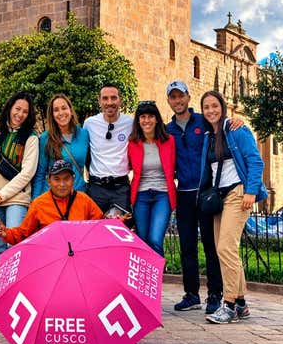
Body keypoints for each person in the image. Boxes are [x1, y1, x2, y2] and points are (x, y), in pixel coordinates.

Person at [198, 91, 268, 324]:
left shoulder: (236, 129)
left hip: (238, 193)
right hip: (220, 196)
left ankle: (228, 305)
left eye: (214, 106)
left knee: (226, 248)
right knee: (224, 249)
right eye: (206, 107)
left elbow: (255, 161)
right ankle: (241, 302)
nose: (211, 111)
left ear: (223, 107)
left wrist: (251, 191)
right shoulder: (210, 136)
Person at [166, 80, 226, 313]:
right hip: (184, 194)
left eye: (181, 96)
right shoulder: (167, 130)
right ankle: (191, 294)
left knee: (211, 245)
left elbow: (224, 128)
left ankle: (215, 294)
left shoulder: (203, 121)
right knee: (187, 245)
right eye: (173, 97)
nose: (178, 100)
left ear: (189, 97)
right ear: (169, 101)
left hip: (206, 192)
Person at [0, 91, 39, 308]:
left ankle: (16, 296)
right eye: (17, 109)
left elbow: (28, 171)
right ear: (10, 108)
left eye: (25, 111)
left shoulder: (31, 138)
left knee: (14, 245)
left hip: (17, 199)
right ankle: (2, 293)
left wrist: (2, 194)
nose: (20, 114)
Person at [0, 159, 103, 244]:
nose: (62, 184)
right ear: (49, 181)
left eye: (66, 179)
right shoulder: (39, 204)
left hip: (79, 256)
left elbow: (101, 225)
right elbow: (24, 233)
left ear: (73, 180)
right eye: (56, 179)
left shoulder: (84, 200)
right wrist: (6, 233)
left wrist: (117, 221)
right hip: (49, 255)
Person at [127, 101, 176, 256]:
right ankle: (143, 279)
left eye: (150, 116)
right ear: (138, 120)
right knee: (142, 240)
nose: (146, 120)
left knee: (155, 239)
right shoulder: (133, 143)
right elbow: (126, 166)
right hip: (141, 195)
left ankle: (156, 279)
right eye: (143, 117)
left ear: (156, 119)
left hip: (163, 194)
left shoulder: (169, 141)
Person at [83, 84, 134, 215]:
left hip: (121, 188)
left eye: (113, 98)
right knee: (94, 230)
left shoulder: (130, 123)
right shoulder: (89, 124)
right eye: (105, 98)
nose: (109, 102)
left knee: (119, 230)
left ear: (120, 100)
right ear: (99, 101)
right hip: (97, 188)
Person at [32, 93, 89, 198]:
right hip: (53, 198)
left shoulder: (84, 134)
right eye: (56, 110)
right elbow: (40, 173)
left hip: (78, 196)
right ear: (52, 115)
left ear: (71, 111)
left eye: (64, 108)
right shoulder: (46, 138)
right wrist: (35, 202)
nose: (61, 113)